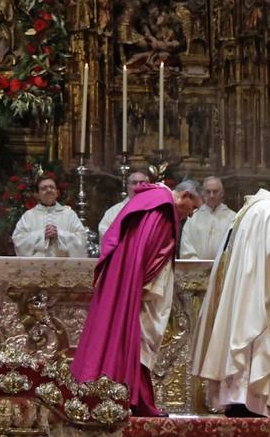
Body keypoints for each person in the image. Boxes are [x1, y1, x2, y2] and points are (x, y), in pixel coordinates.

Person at [72, 179, 202, 416]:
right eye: (192, 208)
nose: (190, 215)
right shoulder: (162, 207)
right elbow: (151, 255)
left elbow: (144, 248)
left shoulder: (152, 201)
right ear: (185, 195)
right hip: (143, 289)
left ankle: (133, 398)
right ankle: (135, 400)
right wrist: (143, 288)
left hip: (133, 283)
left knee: (135, 339)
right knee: (140, 339)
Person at [193, 186, 270, 417]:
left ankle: (234, 399)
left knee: (242, 336)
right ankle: (248, 402)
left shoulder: (250, 209)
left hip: (242, 285)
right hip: (257, 289)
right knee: (261, 332)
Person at [11, 175, 89, 258]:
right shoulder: (29, 216)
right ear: (37, 194)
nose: (48, 190)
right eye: (44, 188)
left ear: (57, 193)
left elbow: (82, 238)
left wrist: (59, 234)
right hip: (37, 266)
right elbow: (18, 239)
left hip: (64, 266)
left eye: (52, 187)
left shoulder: (69, 215)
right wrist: (42, 235)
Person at [179, 176, 236, 260]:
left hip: (223, 270)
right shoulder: (193, 218)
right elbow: (186, 246)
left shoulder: (233, 218)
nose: (211, 195)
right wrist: (197, 265)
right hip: (198, 270)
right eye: (208, 192)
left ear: (222, 193)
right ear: (203, 193)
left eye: (215, 191)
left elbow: (235, 247)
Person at [98, 170, 148, 242]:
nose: (138, 186)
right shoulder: (113, 212)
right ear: (128, 186)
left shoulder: (155, 209)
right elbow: (105, 233)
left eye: (142, 183)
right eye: (134, 183)